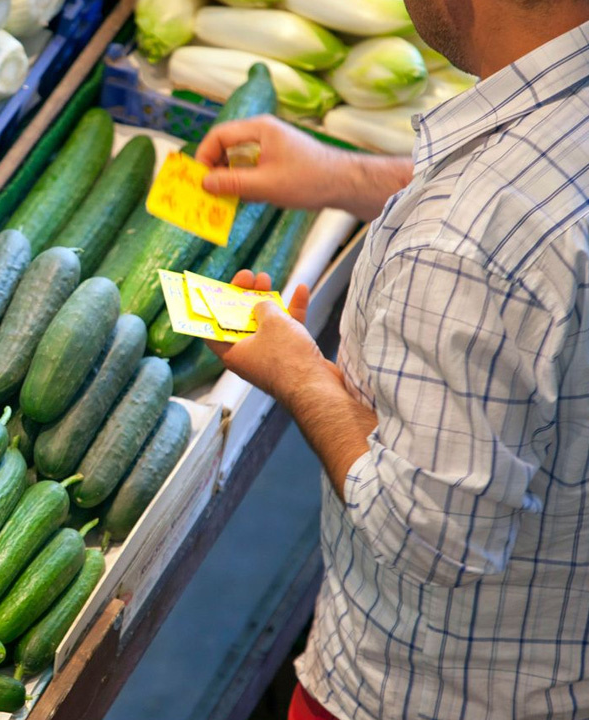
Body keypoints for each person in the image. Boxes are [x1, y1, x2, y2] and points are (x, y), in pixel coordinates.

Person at [193, 1, 589, 718]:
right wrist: (345, 175)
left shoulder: (467, 246)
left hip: (426, 695)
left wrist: (298, 372)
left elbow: (429, 534)